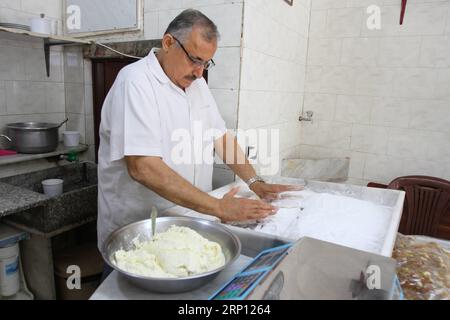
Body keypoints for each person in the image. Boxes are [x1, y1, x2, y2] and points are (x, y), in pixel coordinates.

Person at [97, 9, 297, 280]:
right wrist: (219, 207)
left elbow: (220, 137)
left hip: (189, 226)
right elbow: (143, 167)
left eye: (207, 63)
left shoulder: (196, 85)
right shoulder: (135, 83)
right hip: (141, 235)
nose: (200, 72)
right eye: (195, 59)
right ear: (168, 43)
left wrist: (255, 182)